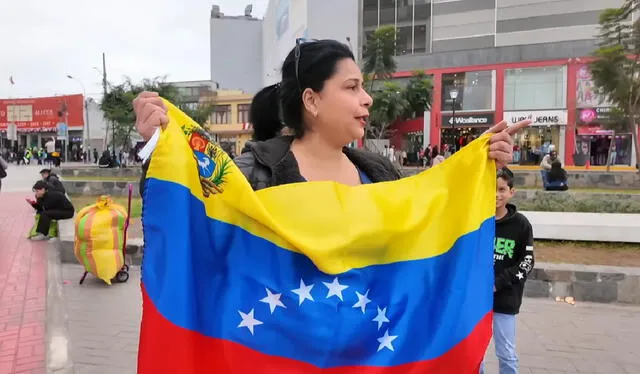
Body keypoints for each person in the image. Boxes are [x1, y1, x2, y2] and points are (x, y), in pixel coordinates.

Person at [134, 38, 529, 196]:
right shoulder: (255, 171)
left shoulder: (379, 173)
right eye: (352, 87)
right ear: (312, 99)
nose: (368, 99)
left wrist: (481, 164)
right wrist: (159, 144)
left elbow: (429, 213)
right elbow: (193, 213)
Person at [480, 167, 535, 374]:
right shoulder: (477, 222)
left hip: (505, 301)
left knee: (506, 353)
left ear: (512, 192)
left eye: (502, 189)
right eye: (491, 188)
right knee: (476, 353)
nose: (496, 194)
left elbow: (527, 261)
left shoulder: (521, 225)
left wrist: (498, 282)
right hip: (477, 301)